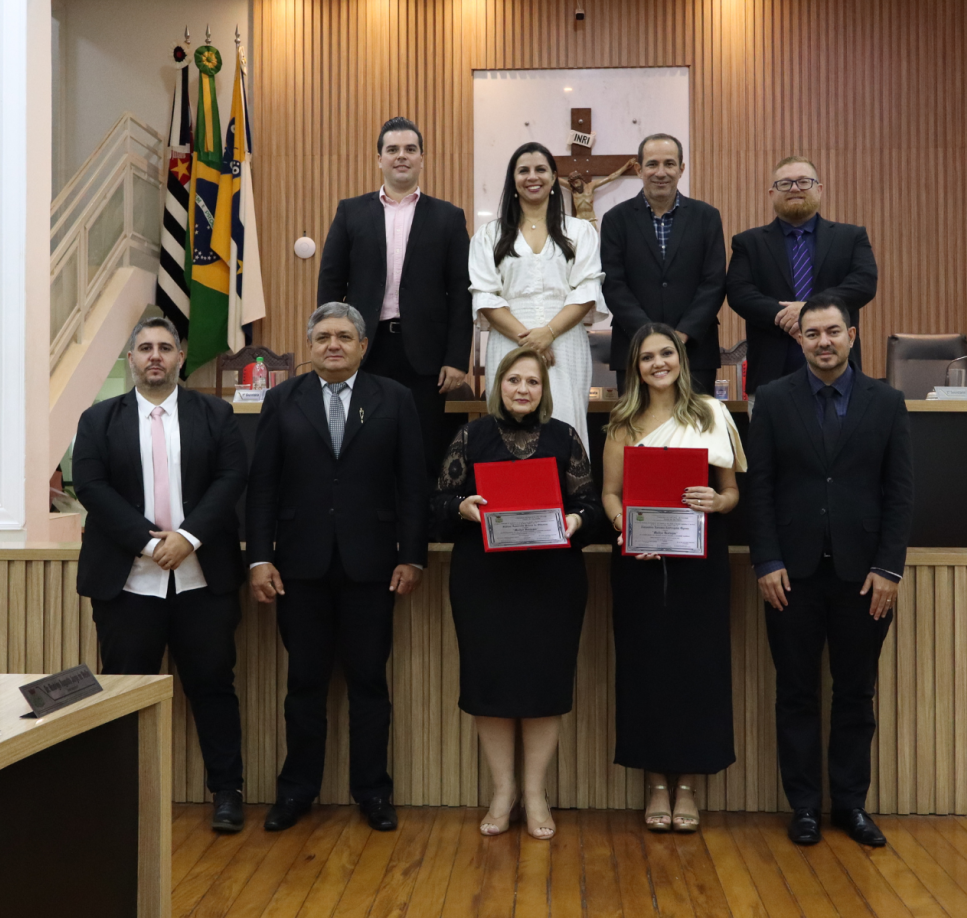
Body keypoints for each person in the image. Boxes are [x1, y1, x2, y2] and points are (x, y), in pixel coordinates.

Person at [247, 302, 428, 833]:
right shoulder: (282, 400)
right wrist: (259, 557)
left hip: (372, 566)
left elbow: (412, 486)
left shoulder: (393, 399)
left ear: (363, 346)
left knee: (369, 683)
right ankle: (296, 792)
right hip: (298, 567)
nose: (333, 344)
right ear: (309, 344)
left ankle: (373, 792)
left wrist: (411, 554)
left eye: (345, 336)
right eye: (324, 335)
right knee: (304, 684)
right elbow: (262, 487)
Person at [747, 294, 913, 848]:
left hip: (863, 577)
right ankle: (804, 808)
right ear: (801, 340)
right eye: (812, 333)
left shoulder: (887, 402)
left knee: (855, 693)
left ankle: (849, 804)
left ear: (853, 334)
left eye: (832, 332)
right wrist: (766, 561)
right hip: (789, 575)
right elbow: (760, 490)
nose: (822, 341)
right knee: (795, 693)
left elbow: (899, 493)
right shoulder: (771, 400)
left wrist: (889, 568)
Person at [73, 317, 248, 832]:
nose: (155, 355)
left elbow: (232, 477)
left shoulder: (215, 414)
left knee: (214, 686)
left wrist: (187, 537)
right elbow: (91, 485)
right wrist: (150, 541)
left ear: (179, 359)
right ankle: (123, 795)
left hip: (202, 580)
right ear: (131, 359)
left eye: (165, 348)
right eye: (145, 347)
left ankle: (227, 793)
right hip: (128, 583)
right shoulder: (98, 419)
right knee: (126, 689)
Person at [432, 346, 600, 840]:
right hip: (485, 582)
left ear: (544, 389)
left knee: (545, 686)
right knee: (491, 688)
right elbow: (438, 501)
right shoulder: (472, 435)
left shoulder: (563, 437)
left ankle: (535, 793)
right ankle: (502, 792)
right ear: (497, 386)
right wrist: (463, 507)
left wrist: (574, 519)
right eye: (513, 381)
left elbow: (593, 506)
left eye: (532, 382)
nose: (522, 389)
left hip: (552, 581)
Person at [601, 323, 745, 833]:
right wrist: (627, 527)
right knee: (646, 668)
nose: (658, 363)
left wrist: (718, 501)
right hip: (639, 563)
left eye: (666, 354)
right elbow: (610, 495)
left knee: (697, 668)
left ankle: (688, 785)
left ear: (681, 359)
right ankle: (655, 784)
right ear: (634, 367)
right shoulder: (622, 421)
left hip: (699, 562)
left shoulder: (711, 413)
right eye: (647, 357)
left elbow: (731, 492)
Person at [317, 116, 472, 477]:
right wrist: (331, 341)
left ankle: (422, 530)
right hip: (365, 350)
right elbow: (331, 282)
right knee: (366, 445)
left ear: (421, 159)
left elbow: (462, 293)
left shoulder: (448, 217)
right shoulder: (350, 212)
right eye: (392, 149)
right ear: (379, 159)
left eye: (410, 149)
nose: (401, 156)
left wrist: (456, 357)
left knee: (421, 449)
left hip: (427, 358)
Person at [469, 141, 606, 455]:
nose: (533, 177)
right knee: (509, 425)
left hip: (564, 341)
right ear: (513, 179)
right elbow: (486, 295)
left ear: (554, 177)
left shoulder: (580, 231)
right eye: (524, 170)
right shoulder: (489, 235)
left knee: (565, 422)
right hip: (509, 341)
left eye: (541, 169)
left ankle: (570, 502)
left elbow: (586, 290)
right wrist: (529, 340)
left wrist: (549, 333)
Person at [727, 156, 878, 400]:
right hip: (770, 376)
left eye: (803, 182)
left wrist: (808, 310)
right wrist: (784, 316)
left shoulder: (851, 237)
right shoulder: (749, 243)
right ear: (771, 194)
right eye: (785, 184)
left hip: (839, 375)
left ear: (819, 190)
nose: (795, 188)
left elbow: (864, 283)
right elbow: (739, 293)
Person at [600, 133, 727, 396]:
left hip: (694, 351)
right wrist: (650, 338)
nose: (661, 172)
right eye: (652, 164)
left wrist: (682, 335)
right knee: (639, 433)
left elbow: (713, 282)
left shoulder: (707, 217)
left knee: (695, 433)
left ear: (681, 169)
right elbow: (614, 285)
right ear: (638, 169)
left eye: (669, 164)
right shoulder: (615, 219)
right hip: (635, 349)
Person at [565, 158, 636, 229]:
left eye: (576, 182)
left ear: (580, 179)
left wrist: (626, 166)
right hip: (579, 222)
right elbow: (557, 180)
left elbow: (610, 177)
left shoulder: (591, 186)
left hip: (591, 221)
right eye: (573, 183)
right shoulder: (573, 190)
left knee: (593, 239)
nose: (575, 185)